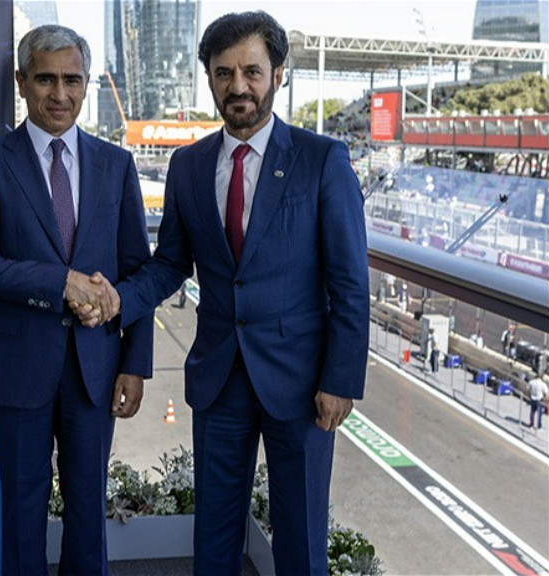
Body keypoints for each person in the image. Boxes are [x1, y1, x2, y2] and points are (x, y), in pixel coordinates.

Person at [74, 11, 369, 575]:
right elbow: (170, 264)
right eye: (223, 73)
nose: (238, 86)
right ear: (208, 78)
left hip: (302, 384)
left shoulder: (322, 160)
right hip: (218, 379)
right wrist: (117, 300)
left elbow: (351, 282)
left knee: (302, 539)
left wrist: (341, 379)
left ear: (277, 74)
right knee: (213, 537)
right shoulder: (187, 165)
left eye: (251, 71)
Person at [0, 25, 153, 576]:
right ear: (21, 82)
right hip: (17, 366)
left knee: (89, 512)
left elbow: (138, 273)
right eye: (45, 79)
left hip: (96, 368)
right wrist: (61, 282)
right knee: (22, 514)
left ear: (86, 84)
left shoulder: (117, 166)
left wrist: (135, 365)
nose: (60, 94)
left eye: (72, 80)